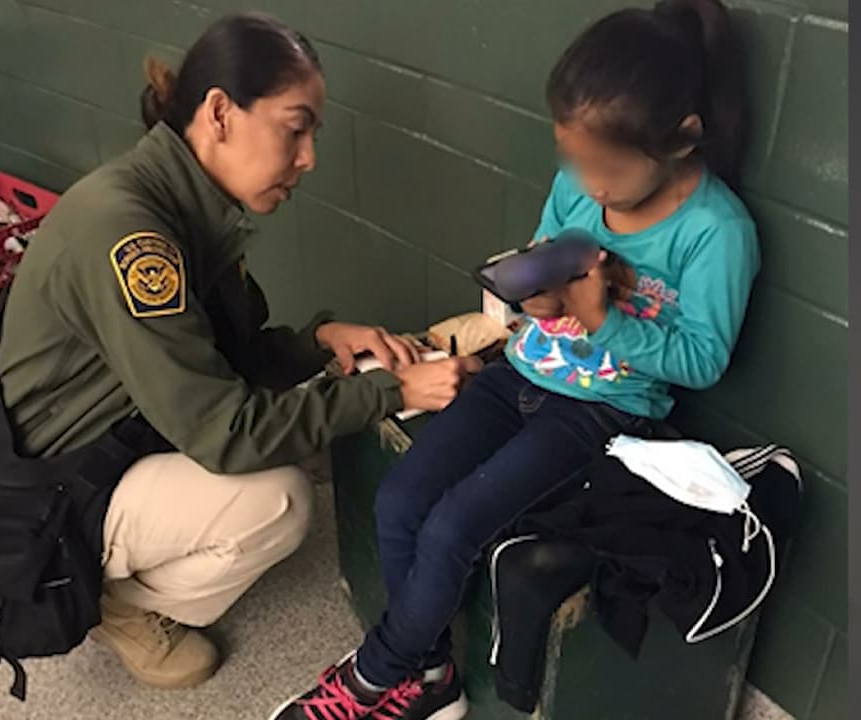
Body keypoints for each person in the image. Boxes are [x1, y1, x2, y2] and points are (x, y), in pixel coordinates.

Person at [270, 1, 760, 718]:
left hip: (603, 412)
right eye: (574, 160)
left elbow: (702, 360)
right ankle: (432, 678)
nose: (589, 185)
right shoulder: (577, 186)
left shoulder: (716, 232)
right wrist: (533, 297)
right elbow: (538, 259)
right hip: (518, 377)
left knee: (452, 526)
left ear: (683, 139)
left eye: (609, 169)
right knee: (401, 499)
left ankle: (374, 676)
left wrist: (602, 318)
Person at [0, 12, 481, 692]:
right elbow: (226, 434)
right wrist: (393, 391)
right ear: (220, 112)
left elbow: (223, 357)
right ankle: (106, 599)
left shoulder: (186, 200)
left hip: (120, 430)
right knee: (276, 499)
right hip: (46, 491)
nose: (308, 156)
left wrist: (316, 343)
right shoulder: (132, 235)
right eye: (295, 125)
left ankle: (115, 569)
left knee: (279, 448)